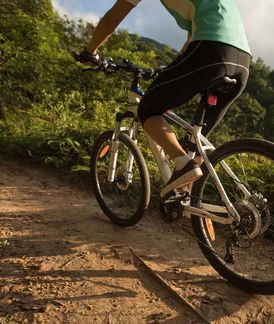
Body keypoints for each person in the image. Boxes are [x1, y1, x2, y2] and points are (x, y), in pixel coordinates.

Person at [79, 0, 251, 198]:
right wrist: (175, 66)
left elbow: (113, 16)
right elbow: (191, 38)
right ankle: (192, 203)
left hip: (212, 47)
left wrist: (90, 51)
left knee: (148, 109)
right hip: (243, 59)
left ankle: (183, 165)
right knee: (196, 142)